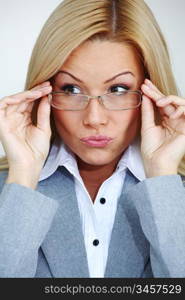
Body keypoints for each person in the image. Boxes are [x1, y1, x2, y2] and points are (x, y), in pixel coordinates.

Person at [0, 0, 185, 278]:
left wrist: (161, 177)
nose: (94, 118)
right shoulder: (12, 190)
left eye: (118, 89)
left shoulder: (174, 191)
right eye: (71, 89)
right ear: (44, 91)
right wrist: (24, 174)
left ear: (151, 91)